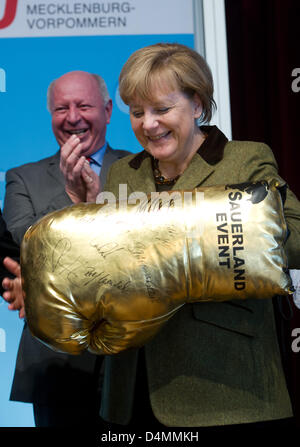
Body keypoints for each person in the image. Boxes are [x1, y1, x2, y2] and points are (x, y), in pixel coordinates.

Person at [100, 43, 300, 430]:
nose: (149, 124)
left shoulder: (246, 159)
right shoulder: (122, 173)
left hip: (228, 393)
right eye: (137, 112)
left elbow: (297, 242)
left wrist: (201, 235)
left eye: (161, 109)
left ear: (196, 104)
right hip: (132, 392)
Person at [2, 70, 130, 427]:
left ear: (107, 109)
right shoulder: (22, 177)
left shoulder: (140, 170)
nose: (73, 117)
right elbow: (25, 249)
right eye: (62, 108)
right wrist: (74, 199)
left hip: (133, 356)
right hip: (56, 359)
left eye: (83, 105)